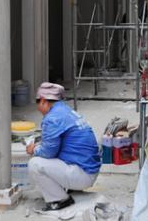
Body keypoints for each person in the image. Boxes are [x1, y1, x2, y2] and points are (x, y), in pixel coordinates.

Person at [26, 82, 101, 211]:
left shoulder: (52, 118)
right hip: (88, 169)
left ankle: (59, 200)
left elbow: (48, 153)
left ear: (43, 101)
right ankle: (67, 188)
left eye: (38, 104)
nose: (38, 108)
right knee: (48, 155)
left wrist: (34, 149)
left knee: (35, 164)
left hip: (83, 174)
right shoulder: (66, 111)